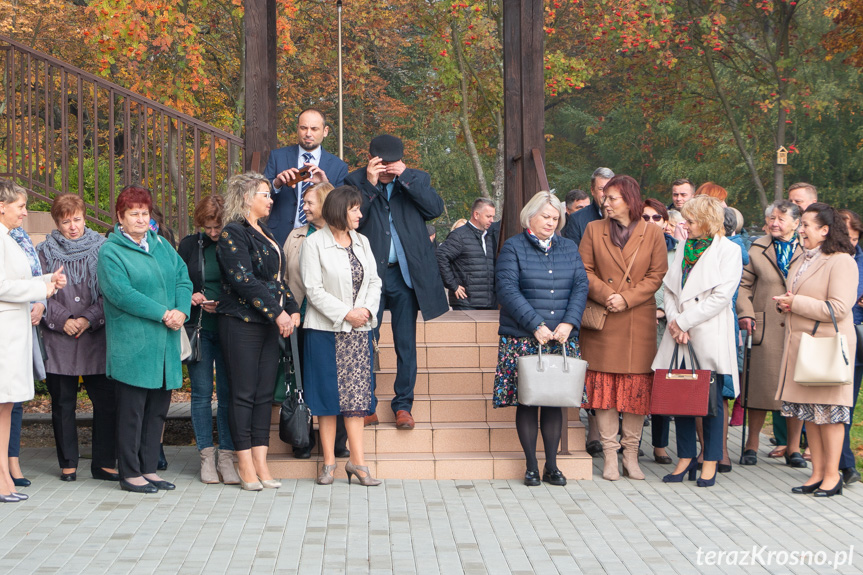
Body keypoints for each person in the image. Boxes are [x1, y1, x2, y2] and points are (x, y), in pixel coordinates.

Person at [348, 134, 448, 430]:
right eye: (383, 162)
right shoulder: (354, 181)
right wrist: (369, 183)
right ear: (372, 159)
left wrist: (405, 178)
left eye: (393, 162)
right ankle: (366, 403)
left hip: (405, 276)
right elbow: (352, 219)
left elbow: (434, 210)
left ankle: (403, 406)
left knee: (406, 343)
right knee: (366, 339)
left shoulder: (417, 178)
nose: (388, 167)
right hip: (370, 276)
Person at [97, 186, 191, 494]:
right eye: (134, 214)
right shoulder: (111, 251)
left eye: (145, 213)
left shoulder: (161, 244)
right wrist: (164, 313)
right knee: (132, 412)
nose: (140, 219)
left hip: (164, 344)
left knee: (157, 411)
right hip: (134, 345)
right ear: (120, 217)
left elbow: (182, 277)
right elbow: (121, 294)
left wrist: (181, 310)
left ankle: (150, 468)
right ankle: (130, 472)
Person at [494, 191, 588, 487]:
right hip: (524, 337)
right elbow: (507, 289)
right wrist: (535, 324)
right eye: (545, 217)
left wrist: (570, 323)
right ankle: (531, 466)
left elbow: (580, 286)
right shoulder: (513, 247)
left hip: (560, 338)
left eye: (555, 218)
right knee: (528, 401)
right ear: (529, 217)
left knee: (554, 402)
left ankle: (552, 465)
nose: (551, 222)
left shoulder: (569, 247)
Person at [579, 175, 668, 481]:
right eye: (604, 197)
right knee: (603, 393)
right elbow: (584, 270)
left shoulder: (652, 232)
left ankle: (631, 454)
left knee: (635, 393)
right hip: (603, 321)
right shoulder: (593, 229)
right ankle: (610, 456)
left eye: (612, 198)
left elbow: (657, 275)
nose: (605, 202)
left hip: (636, 322)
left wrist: (626, 299)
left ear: (629, 199)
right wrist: (608, 296)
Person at [217, 172, 301, 491]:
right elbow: (243, 280)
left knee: (264, 395)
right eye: (265, 194)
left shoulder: (263, 231)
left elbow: (277, 279)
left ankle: (262, 462)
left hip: (267, 324)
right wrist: (277, 312)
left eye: (269, 194)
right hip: (240, 323)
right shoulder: (233, 233)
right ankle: (245, 464)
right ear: (246, 197)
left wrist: (291, 309)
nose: (271, 199)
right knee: (243, 394)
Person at [653, 195, 742, 488]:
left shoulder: (728, 251)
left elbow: (721, 297)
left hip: (707, 332)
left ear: (705, 221)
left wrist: (683, 321)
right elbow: (668, 287)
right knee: (681, 399)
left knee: (711, 402)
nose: (684, 225)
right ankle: (686, 458)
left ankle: (711, 459)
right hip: (679, 333)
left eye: (689, 220)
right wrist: (675, 319)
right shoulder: (683, 247)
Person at [300, 185, 382, 486]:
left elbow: (374, 281)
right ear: (339, 211)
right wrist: (346, 313)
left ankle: (358, 463)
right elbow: (313, 289)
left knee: (357, 399)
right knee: (327, 398)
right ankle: (329, 463)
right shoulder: (314, 244)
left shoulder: (362, 241)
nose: (360, 214)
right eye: (355, 209)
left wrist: (366, 312)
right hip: (325, 331)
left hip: (359, 331)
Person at [774, 203, 858, 497]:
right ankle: (817, 474)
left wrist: (794, 303)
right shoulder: (802, 258)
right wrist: (785, 302)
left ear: (824, 230)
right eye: (801, 225)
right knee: (812, 415)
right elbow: (796, 295)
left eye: (807, 225)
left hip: (826, 349)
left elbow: (838, 308)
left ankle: (833, 476)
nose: (801, 229)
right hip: (803, 348)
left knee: (831, 416)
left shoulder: (841, 261)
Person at [37, 194, 118, 482]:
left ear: (85, 216)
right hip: (59, 338)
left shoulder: (103, 248)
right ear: (56, 222)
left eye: (77, 219)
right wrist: (63, 320)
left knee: (107, 402)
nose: (73, 226)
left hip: (95, 336)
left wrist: (87, 318)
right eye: (65, 221)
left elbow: (110, 290)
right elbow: (37, 290)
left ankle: (104, 463)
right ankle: (68, 463)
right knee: (62, 404)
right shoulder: (43, 251)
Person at [0, 180, 66, 503]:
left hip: (13, 333)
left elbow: (17, 281)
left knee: (7, 405)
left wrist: (46, 281)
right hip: (4, 334)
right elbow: (1, 287)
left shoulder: (9, 238)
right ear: (2, 206)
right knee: (2, 404)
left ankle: (3, 477)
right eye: (20, 206)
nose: (26, 212)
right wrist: (41, 289)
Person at [177, 195, 241, 485]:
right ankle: (205, 456)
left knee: (228, 395)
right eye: (208, 227)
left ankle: (227, 457)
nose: (213, 233)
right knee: (201, 394)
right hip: (199, 327)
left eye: (218, 226)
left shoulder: (234, 241)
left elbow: (245, 282)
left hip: (228, 326)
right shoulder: (191, 244)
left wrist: (224, 301)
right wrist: (190, 296)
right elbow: (177, 280)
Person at [283, 182, 350, 460]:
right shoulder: (297, 235)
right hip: (301, 318)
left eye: (310, 202)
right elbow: (283, 276)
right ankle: (302, 438)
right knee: (302, 379)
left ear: (325, 204)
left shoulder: (344, 236)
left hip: (334, 320)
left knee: (337, 379)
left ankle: (338, 442)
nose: (305, 207)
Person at [736, 201, 805, 467]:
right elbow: (743, 286)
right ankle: (751, 443)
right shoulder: (757, 248)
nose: (775, 223)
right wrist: (745, 313)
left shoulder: (808, 250)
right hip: (762, 326)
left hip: (797, 327)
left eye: (781, 219)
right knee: (758, 387)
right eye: (772, 218)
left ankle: (793, 448)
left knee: (796, 390)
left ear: (796, 223)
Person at [263, 108, 349, 246]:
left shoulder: (339, 167)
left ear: (325, 131)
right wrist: (276, 184)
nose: (308, 133)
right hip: (281, 236)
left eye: (314, 129)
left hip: (322, 238)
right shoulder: (277, 157)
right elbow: (259, 195)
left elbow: (341, 209)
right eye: (304, 128)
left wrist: (326, 186)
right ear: (297, 128)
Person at [642, 198, 677, 465]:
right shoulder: (631, 247)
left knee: (663, 384)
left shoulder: (678, 252)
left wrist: (663, 310)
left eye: (657, 218)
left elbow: (679, 287)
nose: (651, 223)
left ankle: (660, 445)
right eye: (645, 217)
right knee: (635, 382)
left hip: (667, 324)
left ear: (666, 222)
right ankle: (627, 440)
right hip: (637, 320)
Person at [436, 197, 497, 310]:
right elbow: (440, 256)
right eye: (488, 216)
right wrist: (453, 286)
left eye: (493, 216)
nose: (492, 220)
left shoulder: (490, 236)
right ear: (476, 214)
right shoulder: (459, 235)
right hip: (466, 304)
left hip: (489, 303)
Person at [838, 209, 863, 485]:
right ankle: (845, 465)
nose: (850, 243)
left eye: (854, 239)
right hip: (839, 340)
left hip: (860, 339)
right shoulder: (827, 260)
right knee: (841, 405)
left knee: (849, 405)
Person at [560, 167, 614, 246]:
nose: (605, 194)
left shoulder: (624, 216)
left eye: (609, 188)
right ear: (592, 191)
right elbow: (572, 254)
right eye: (601, 189)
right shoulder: (577, 219)